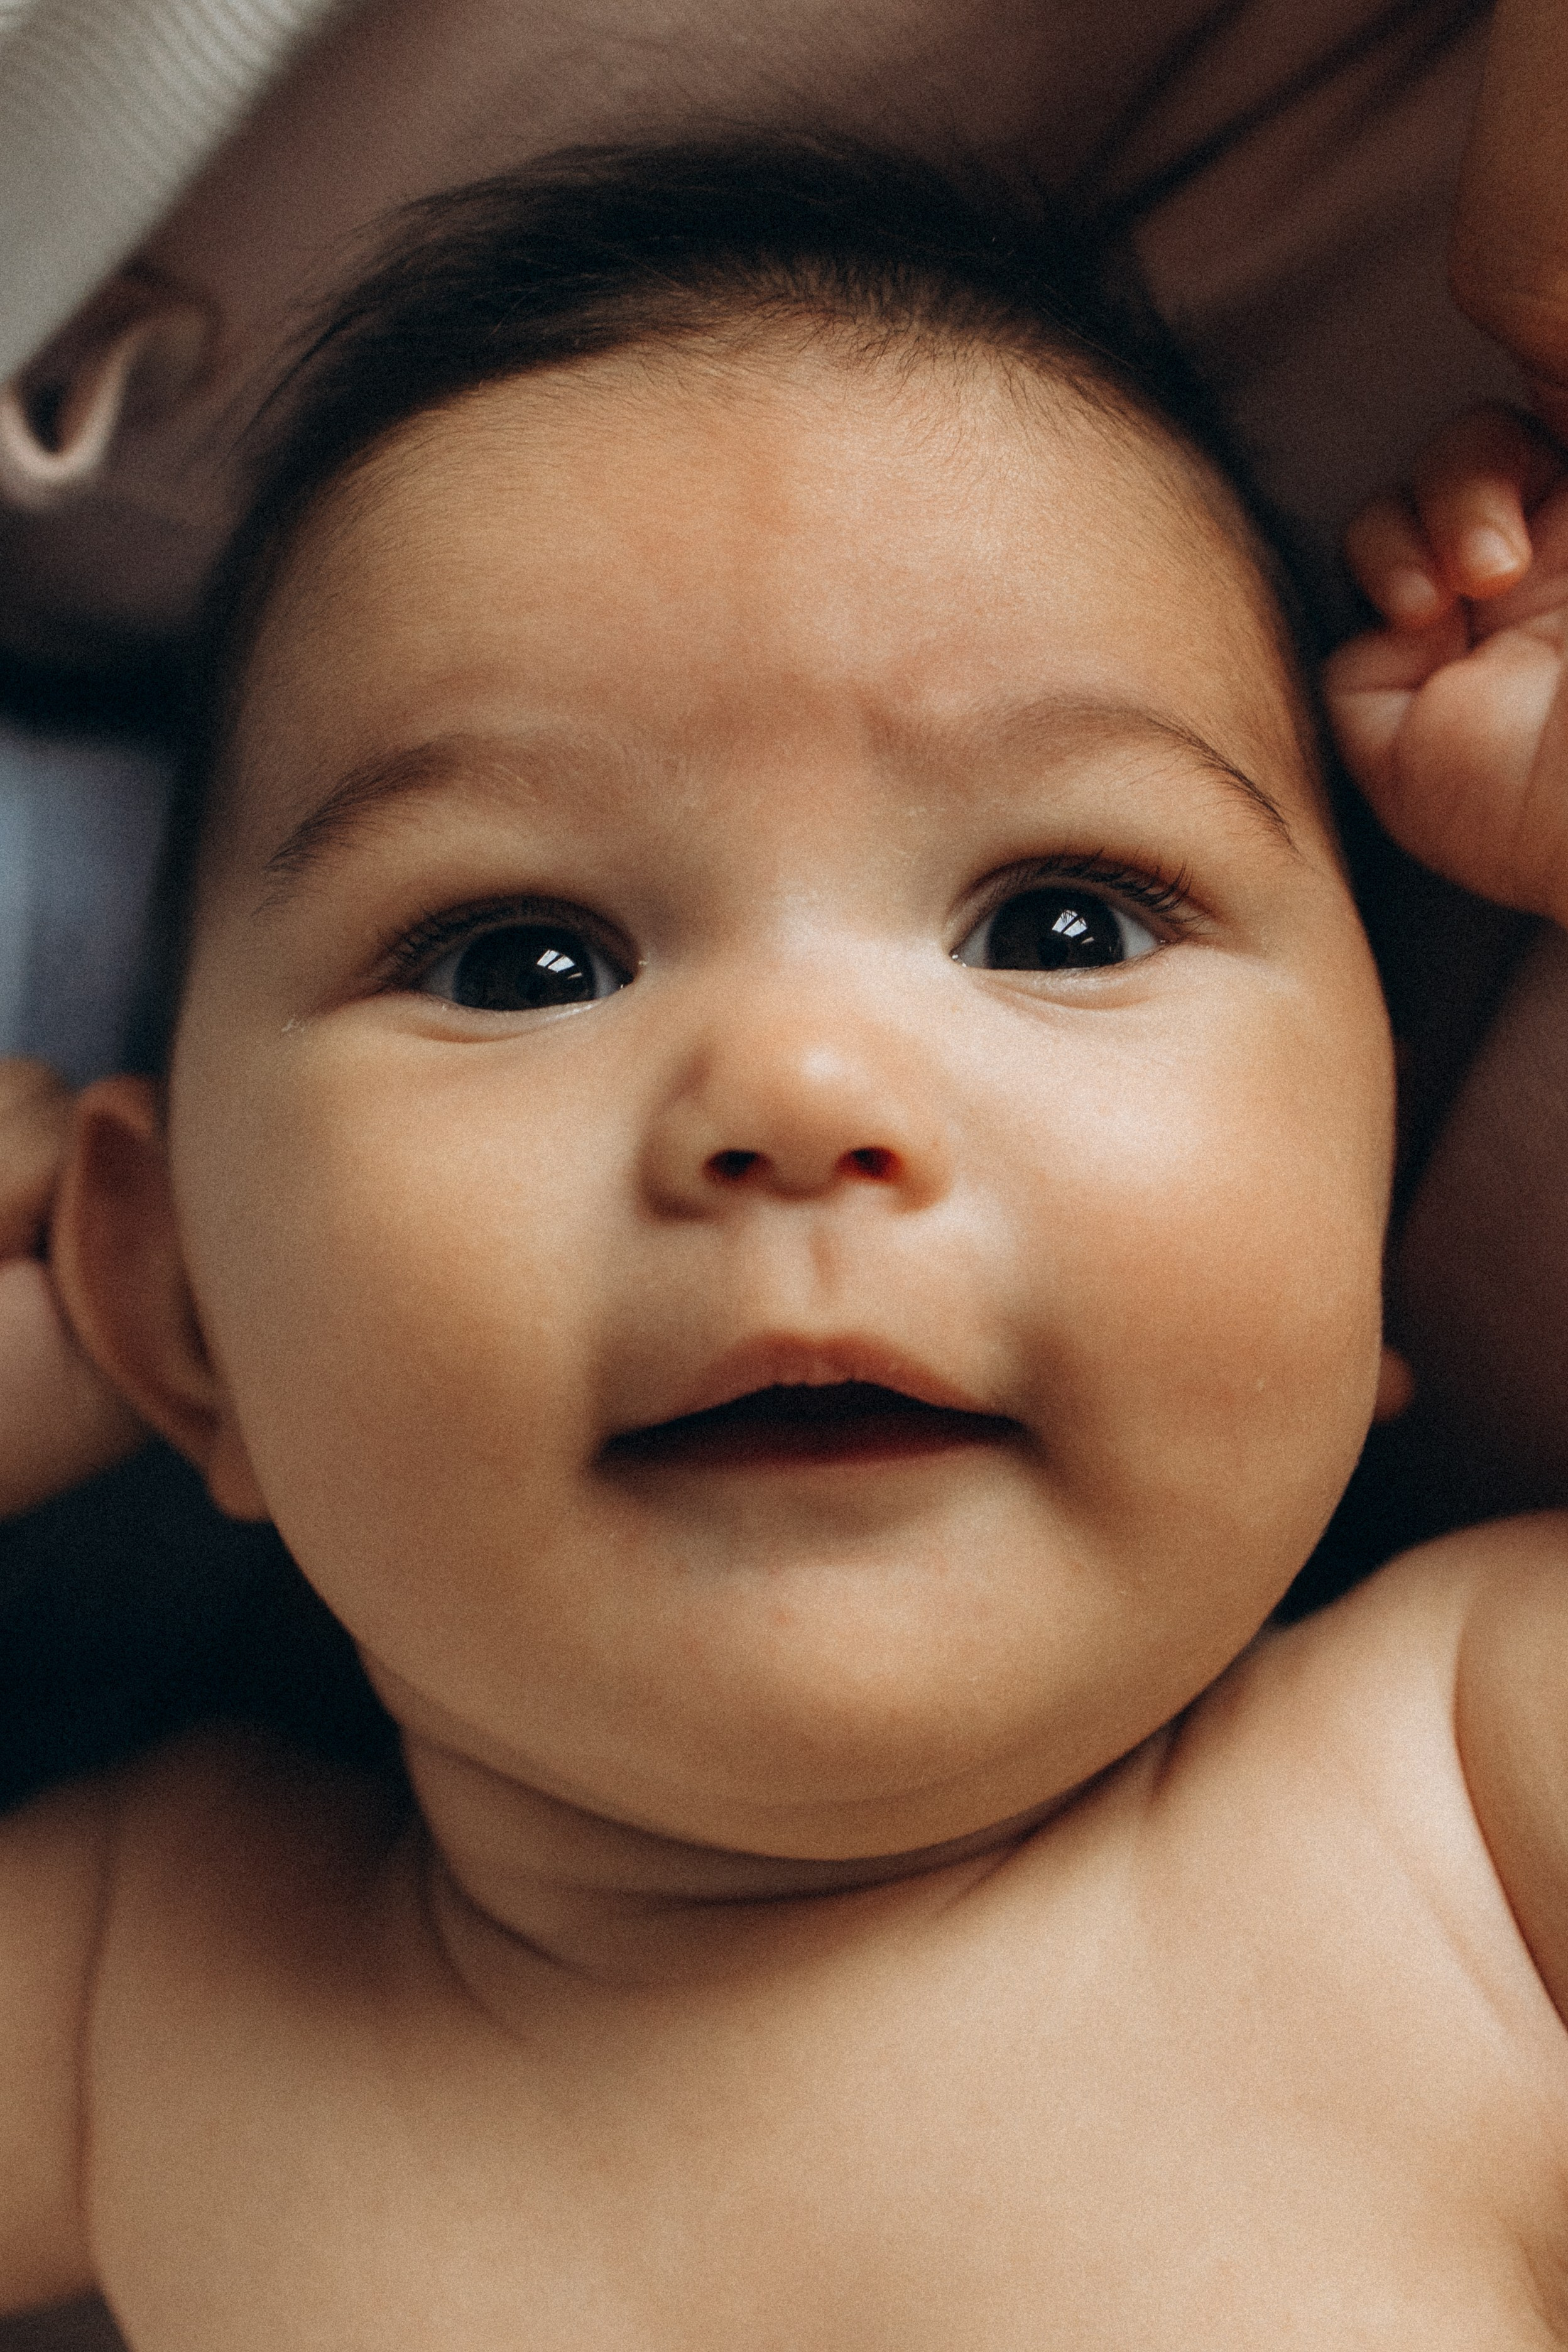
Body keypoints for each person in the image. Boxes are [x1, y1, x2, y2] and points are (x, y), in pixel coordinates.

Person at [6, 137, 1568, 2344]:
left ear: (1380, 1213)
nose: (803, 1097)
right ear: (177, 1303)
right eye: (523, 963)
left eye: (1060, 923)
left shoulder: (1477, 1800)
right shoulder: (138, 1984)